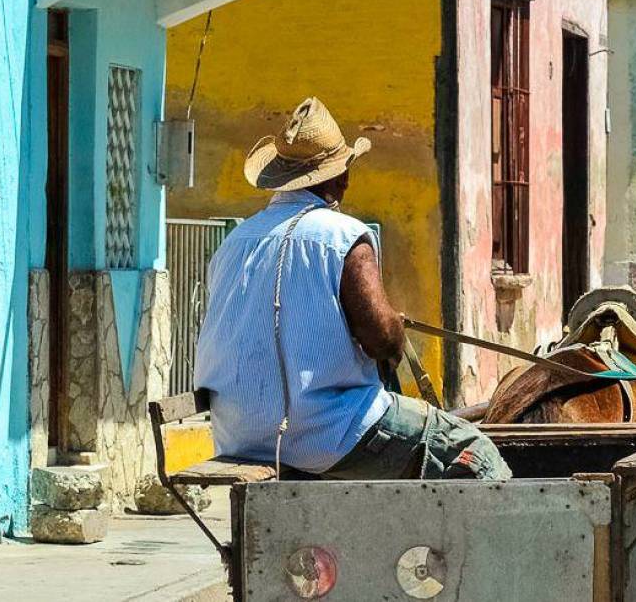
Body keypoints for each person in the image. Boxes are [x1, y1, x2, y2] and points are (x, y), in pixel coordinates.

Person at [195, 97, 511, 481]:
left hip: (238, 435)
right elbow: (382, 341)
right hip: (327, 435)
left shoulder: (235, 241)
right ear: (340, 177)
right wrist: (394, 326)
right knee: (473, 451)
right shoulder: (344, 236)